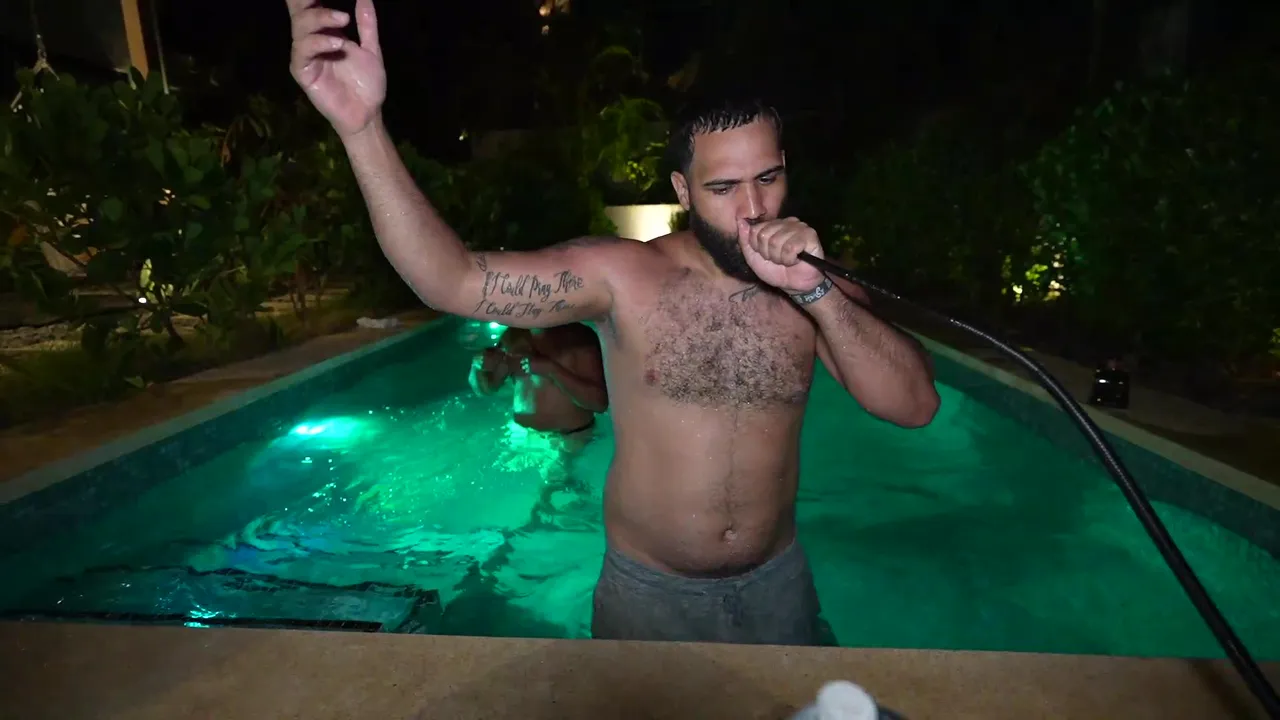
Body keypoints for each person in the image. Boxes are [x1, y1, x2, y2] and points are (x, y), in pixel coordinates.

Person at [286, 0, 940, 646]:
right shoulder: (625, 277)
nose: (753, 209)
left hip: (776, 586)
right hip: (650, 597)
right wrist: (362, 130)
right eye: (723, 188)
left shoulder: (815, 282)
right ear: (683, 191)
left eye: (768, 179)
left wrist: (817, 292)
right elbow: (451, 280)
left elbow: (915, 406)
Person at [470, 323, 608, 434]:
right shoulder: (512, 336)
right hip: (522, 435)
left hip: (571, 437)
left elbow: (599, 403)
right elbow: (485, 390)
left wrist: (552, 370)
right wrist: (478, 366)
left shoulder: (580, 338)